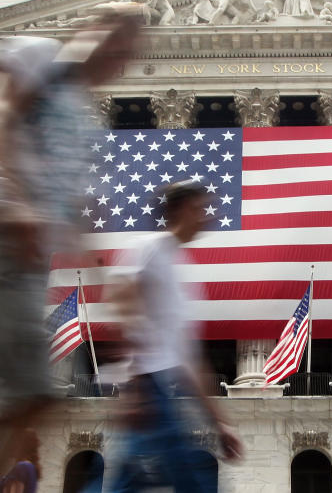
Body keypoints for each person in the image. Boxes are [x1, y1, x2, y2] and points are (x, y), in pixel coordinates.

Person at [0, 13, 143, 493]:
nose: (113, 55)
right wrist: (13, 202)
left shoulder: (83, 122)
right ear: (89, 29)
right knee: (5, 386)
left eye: (125, 51)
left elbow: (77, 217)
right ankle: (2, 446)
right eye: (112, 38)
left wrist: (113, 296)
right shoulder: (40, 55)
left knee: (25, 391)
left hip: (21, 258)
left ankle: (12, 445)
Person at [98, 181, 244, 492]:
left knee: (133, 481)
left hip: (163, 390)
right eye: (199, 208)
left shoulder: (182, 273)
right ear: (179, 210)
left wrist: (219, 421)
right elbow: (122, 305)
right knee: (190, 482)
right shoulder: (147, 248)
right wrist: (133, 389)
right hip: (147, 387)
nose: (207, 217)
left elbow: (191, 361)